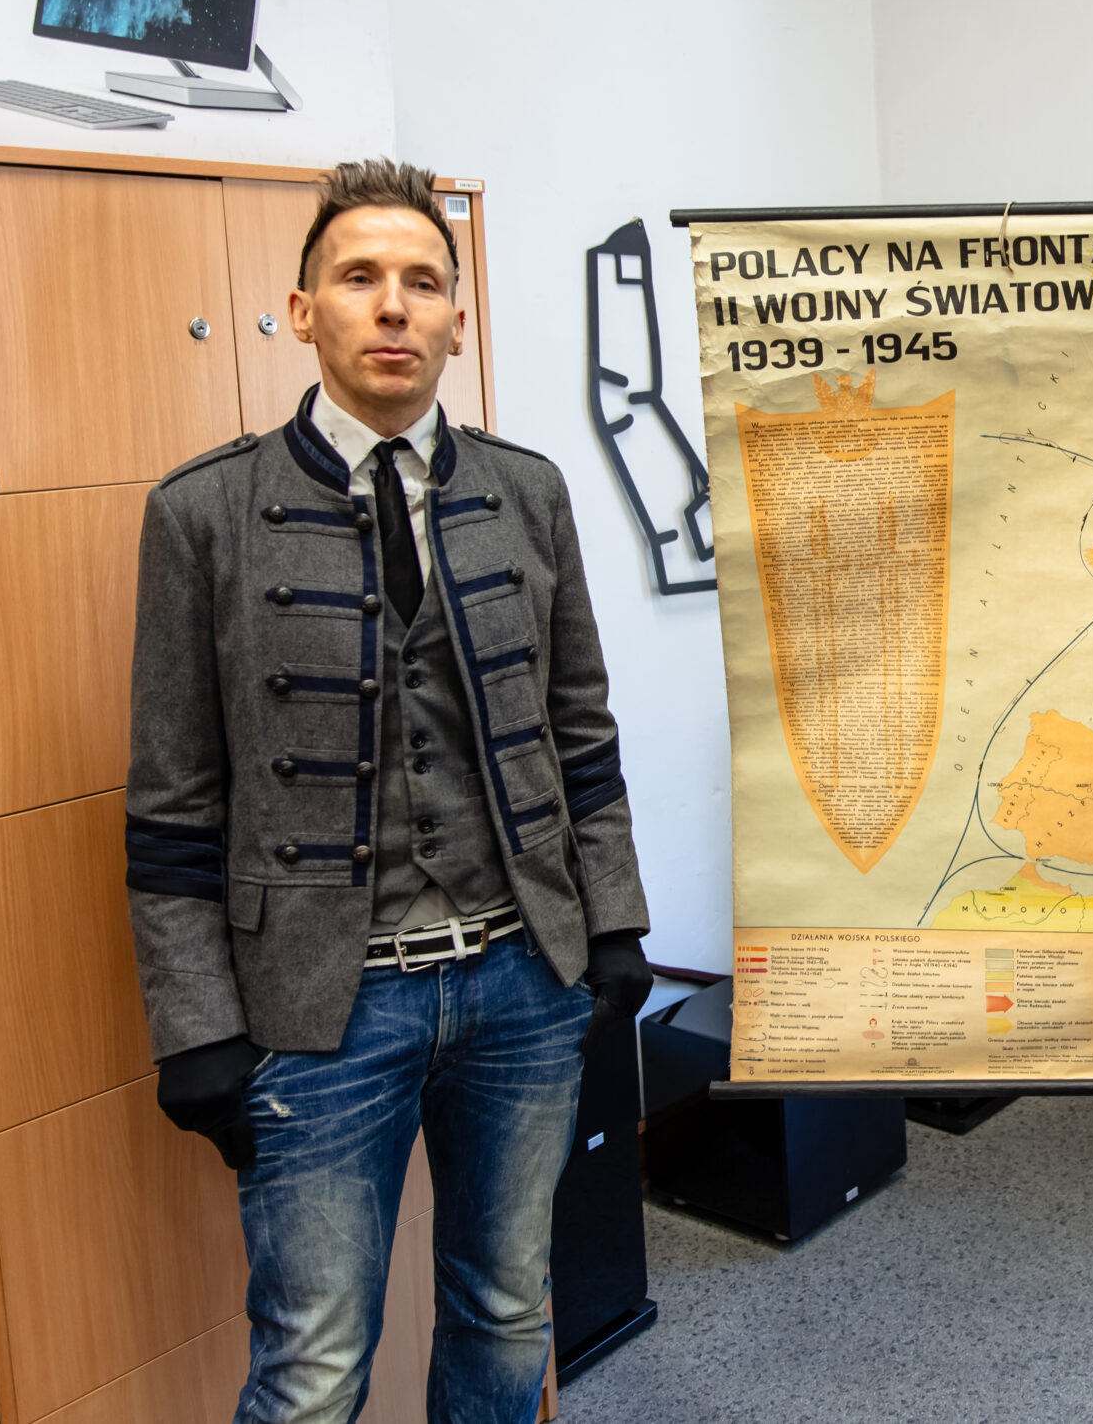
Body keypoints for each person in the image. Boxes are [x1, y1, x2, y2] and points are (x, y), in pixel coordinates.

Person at [123, 158, 655, 1423]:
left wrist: (615, 924)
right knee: (311, 1366)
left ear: (458, 319)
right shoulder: (203, 513)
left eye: (422, 281)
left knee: (505, 1309)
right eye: (359, 277)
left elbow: (581, 732)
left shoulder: (527, 490)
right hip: (321, 1005)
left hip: (521, 981)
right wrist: (194, 1028)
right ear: (301, 311)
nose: (393, 306)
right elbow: (173, 798)